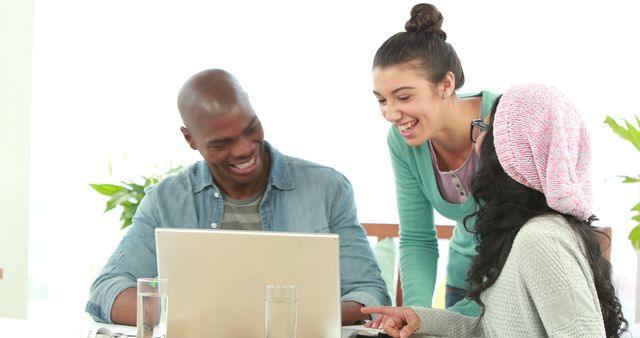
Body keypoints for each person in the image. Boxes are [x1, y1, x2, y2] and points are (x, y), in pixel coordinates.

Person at [85, 68, 391, 326]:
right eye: (222, 142)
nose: (245, 149)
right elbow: (107, 290)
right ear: (190, 139)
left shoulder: (327, 188)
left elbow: (368, 292)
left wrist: (296, 318)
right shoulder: (167, 199)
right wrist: (187, 314)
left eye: (251, 128)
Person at [362, 83, 628, 337]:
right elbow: (488, 329)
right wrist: (421, 318)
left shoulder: (542, 239)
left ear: (511, 152)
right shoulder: (516, 233)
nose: (475, 141)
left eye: (482, 129)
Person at [370, 2, 499, 319]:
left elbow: (525, 225)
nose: (391, 114)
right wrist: (418, 315)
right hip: (463, 283)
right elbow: (417, 238)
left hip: (516, 283)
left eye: (403, 97)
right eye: (382, 100)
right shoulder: (403, 142)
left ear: (446, 84)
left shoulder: (503, 121)